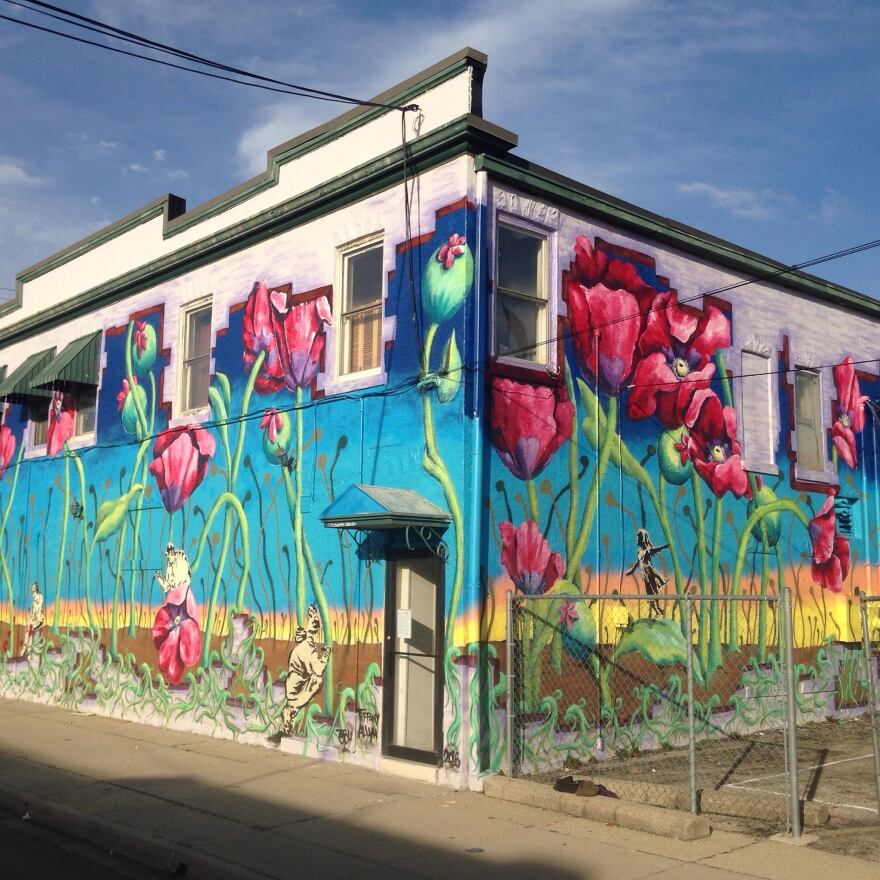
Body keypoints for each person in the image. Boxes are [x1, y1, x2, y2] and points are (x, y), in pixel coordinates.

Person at [624, 529, 668, 618]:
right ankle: (658, 610)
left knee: (653, 591)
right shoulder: (639, 551)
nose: (636, 539)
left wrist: (664, 547)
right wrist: (632, 571)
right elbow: (637, 562)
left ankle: (659, 610)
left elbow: (654, 549)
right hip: (645, 574)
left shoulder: (647, 550)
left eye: (638, 537)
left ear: (642, 539)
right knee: (649, 594)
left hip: (649, 572)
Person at [23, 582, 44, 657]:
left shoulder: (39, 597)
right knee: (28, 629)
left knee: (30, 628)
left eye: (33, 587)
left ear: (36, 589)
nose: (32, 589)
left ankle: (28, 648)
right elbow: (33, 612)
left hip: (39, 620)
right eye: (32, 587)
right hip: (34, 619)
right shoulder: (34, 599)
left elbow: (38, 611)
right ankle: (25, 647)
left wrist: (35, 618)